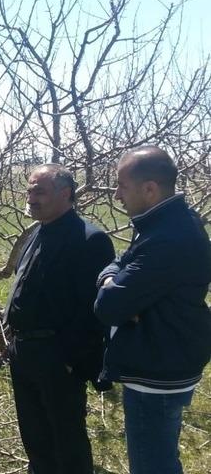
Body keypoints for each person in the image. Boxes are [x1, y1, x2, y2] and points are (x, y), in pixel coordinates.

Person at [95, 146, 211, 474]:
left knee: (152, 465)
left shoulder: (168, 237)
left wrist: (111, 288)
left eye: (122, 186)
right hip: (166, 360)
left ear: (149, 189)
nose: (116, 195)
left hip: (156, 374)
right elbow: (122, 263)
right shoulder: (165, 222)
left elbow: (109, 306)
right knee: (161, 459)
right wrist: (111, 277)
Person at [3, 164, 115, 474]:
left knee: (67, 442)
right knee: (35, 438)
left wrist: (70, 360)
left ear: (65, 194)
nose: (31, 198)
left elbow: (94, 311)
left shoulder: (90, 240)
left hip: (58, 358)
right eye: (29, 191)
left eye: (39, 191)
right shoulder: (38, 232)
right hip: (23, 352)